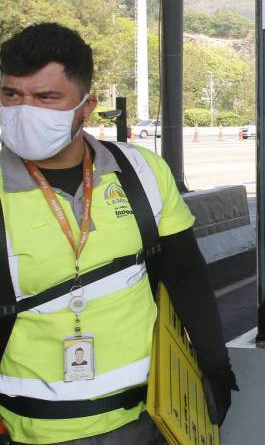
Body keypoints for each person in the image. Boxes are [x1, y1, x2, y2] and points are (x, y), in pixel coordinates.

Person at [0, 23, 236, 444]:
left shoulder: (142, 171)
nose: (24, 111)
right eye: (11, 95)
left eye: (46, 98)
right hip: (32, 429)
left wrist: (215, 363)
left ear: (87, 104)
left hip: (148, 418)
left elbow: (185, 274)